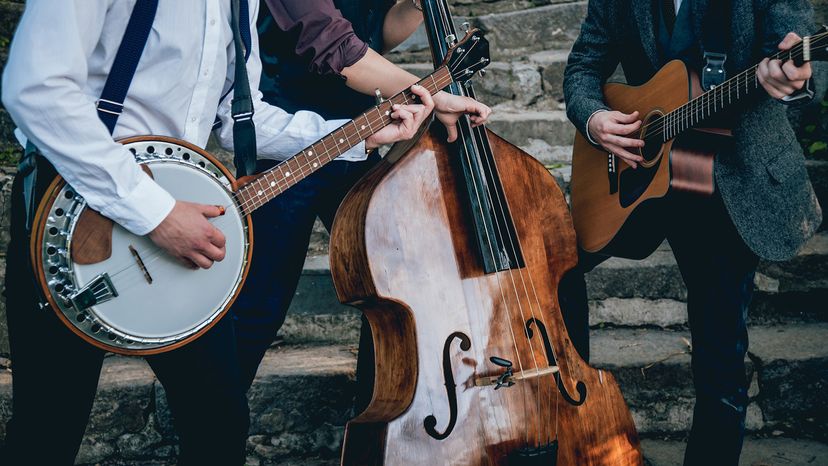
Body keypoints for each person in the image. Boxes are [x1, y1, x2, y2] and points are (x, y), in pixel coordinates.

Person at [0, 1, 445, 464]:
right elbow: (36, 89)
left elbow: (241, 121)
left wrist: (357, 134)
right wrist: (158, 214)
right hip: (76, 211)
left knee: (218, 423)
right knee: (48, 429)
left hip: (180, 222)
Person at [561, 0, 821, 464]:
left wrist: (790, 78)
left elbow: (791, 51)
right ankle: (572, 413)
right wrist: (595, 119)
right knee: (556, 266)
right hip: (636, 174)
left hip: (731, 178)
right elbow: (583, 66)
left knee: (719, 364)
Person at [232, 0, 491, 394]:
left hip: (358, 137)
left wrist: (416, 7)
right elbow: (336, 48)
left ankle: (385, 411)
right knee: (258, 309)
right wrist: (431, 94)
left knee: (396, 288)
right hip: (286, 145)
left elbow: (374, 34)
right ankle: (217, 417)